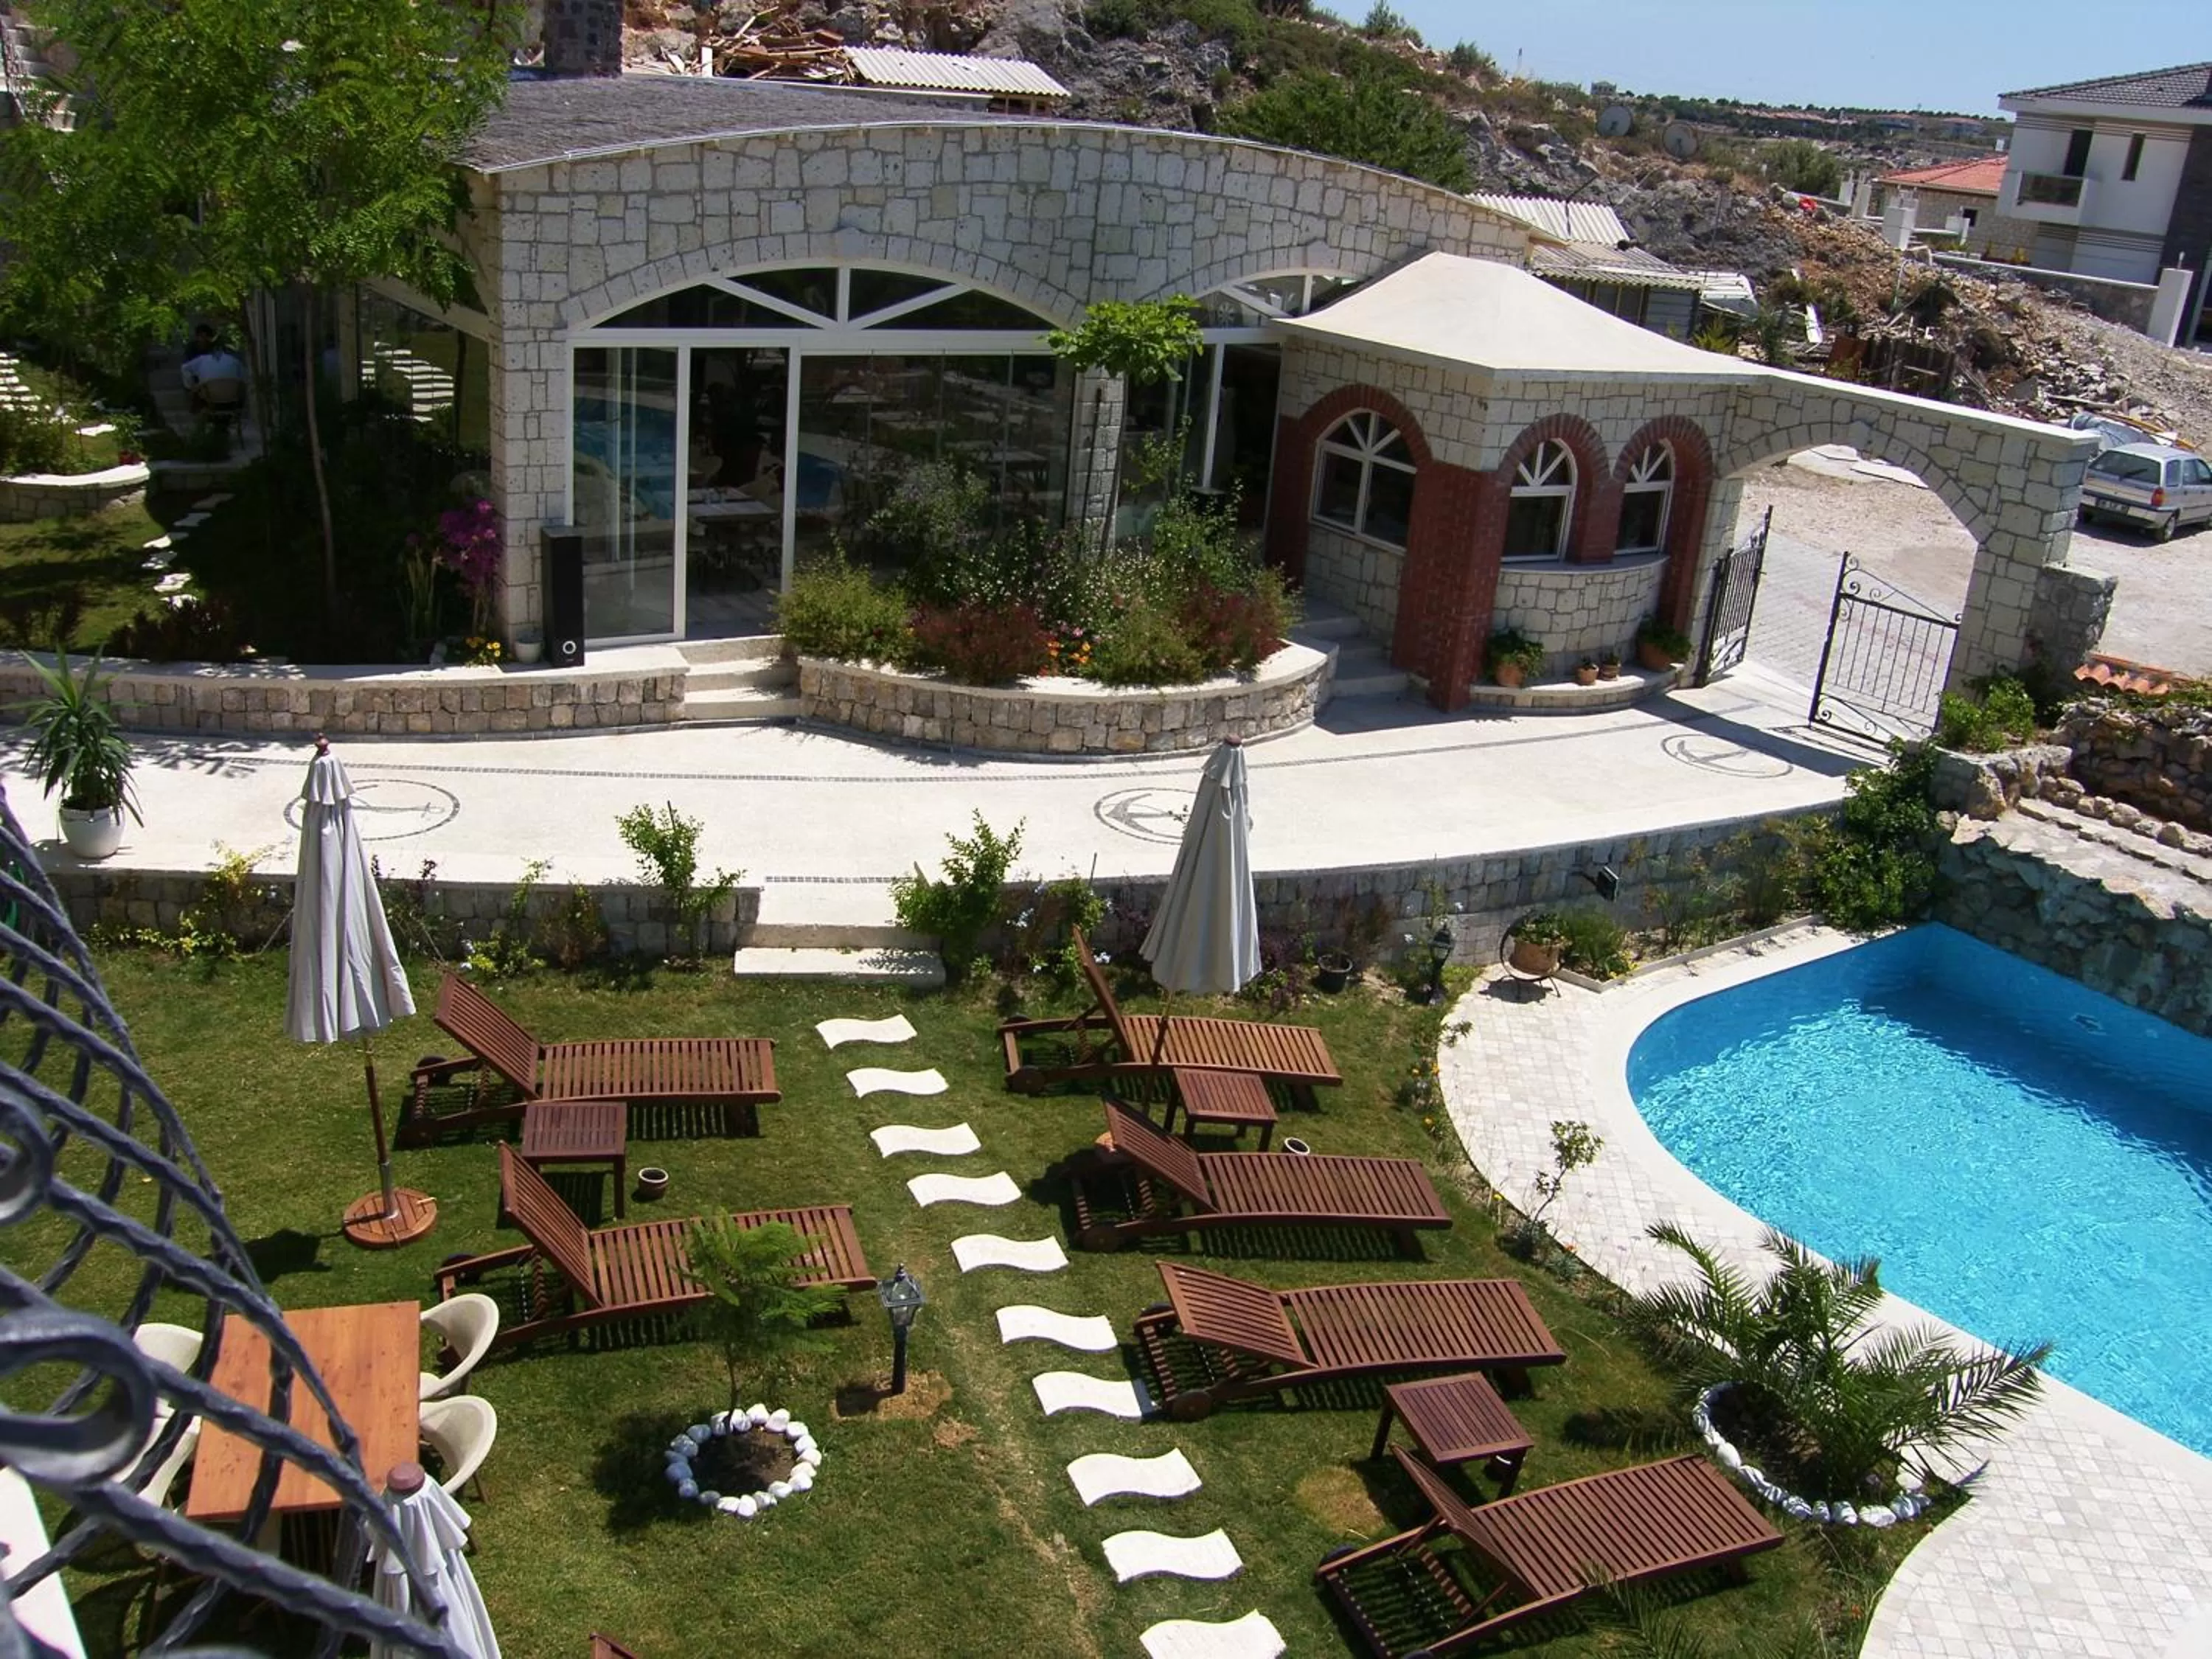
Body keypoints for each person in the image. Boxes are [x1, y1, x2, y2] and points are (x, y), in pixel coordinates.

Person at [181, 328, 247, 414]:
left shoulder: (202, 360)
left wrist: (191, 386)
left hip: (210, 397)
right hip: (232, 398)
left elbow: (185, 368)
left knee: (198, 389)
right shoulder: (234, 361)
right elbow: (245, 377)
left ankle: (198, 413)